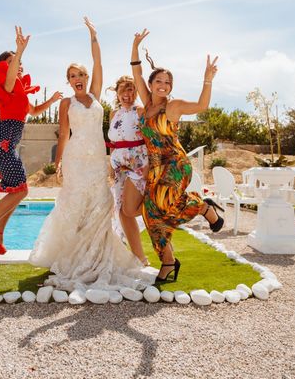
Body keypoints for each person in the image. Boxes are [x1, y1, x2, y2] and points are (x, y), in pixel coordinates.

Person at [29, 17, 154, 292]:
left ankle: (97, 255)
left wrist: (93, 36)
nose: (78, 79)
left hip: (98, 159)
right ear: (68, 81)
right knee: (75, 205)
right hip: (75, 159)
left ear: (87, 79)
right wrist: (58, 161)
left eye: (81, 75)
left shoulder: (96, 97)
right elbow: (63, 135)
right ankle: (71, 255)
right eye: (72, 76)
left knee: (100, 205)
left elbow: (99, 63)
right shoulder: (65, 103)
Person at [130, 29, 224, 283]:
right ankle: (168, 262)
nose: (163, 86)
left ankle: (202, 206)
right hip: (156, 167)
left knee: (165, 205)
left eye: (167, 82)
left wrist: (208, 80)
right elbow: (136, 72)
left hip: (176, 164)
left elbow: (202, 106)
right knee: (150, 214)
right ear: (150, 85)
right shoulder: (147, 105)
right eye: (158, 81)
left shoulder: (174, 106)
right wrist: (135, 45)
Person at [0, 26, 62, 255]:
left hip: (6, 141)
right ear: (5, 66)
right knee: (21, 189)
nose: (19, 66)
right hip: (2, 140)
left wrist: (53, 100)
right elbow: (10, 74)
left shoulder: (19, 91)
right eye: (13, 63)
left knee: (17, 189)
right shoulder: (6, 87)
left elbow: (35, 111)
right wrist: (19, 51)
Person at [106, 76, 149, 265]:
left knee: (129, 209)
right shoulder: (112, 114)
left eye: (131, 89)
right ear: (117, 92)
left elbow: (150, 140)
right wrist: (111, 164)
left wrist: (148, 168)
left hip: (138, 165)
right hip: (118, 167)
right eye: (123, 89)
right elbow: (113, 143)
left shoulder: (141, 111)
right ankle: (140, 257)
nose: (127, 94)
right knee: (122, 212)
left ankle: (158, 211)